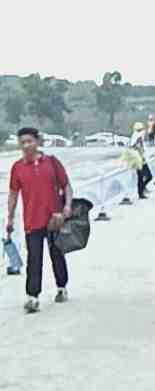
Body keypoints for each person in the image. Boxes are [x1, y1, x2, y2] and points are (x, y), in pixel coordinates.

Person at [6, 126, 73, 314]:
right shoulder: (17, 168)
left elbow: (66, 186)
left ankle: (62, 287)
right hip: (32, 221)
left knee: (57, 255)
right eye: (22, 142)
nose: (26, 145)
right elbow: (13, 194)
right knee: (34, 259)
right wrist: (10, 218)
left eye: (29, 141)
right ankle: (32, 297)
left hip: (54, 219)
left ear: (37, 142)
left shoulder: (51, 162)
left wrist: (67, 206)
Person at [130, 122, 150, 199]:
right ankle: (140, 193)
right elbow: (134, 147)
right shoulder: (137, 137)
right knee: (141, 177)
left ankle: (142, 189)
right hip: (138, 159)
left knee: (148, 176)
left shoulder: (139, 137)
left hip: (142, 159)